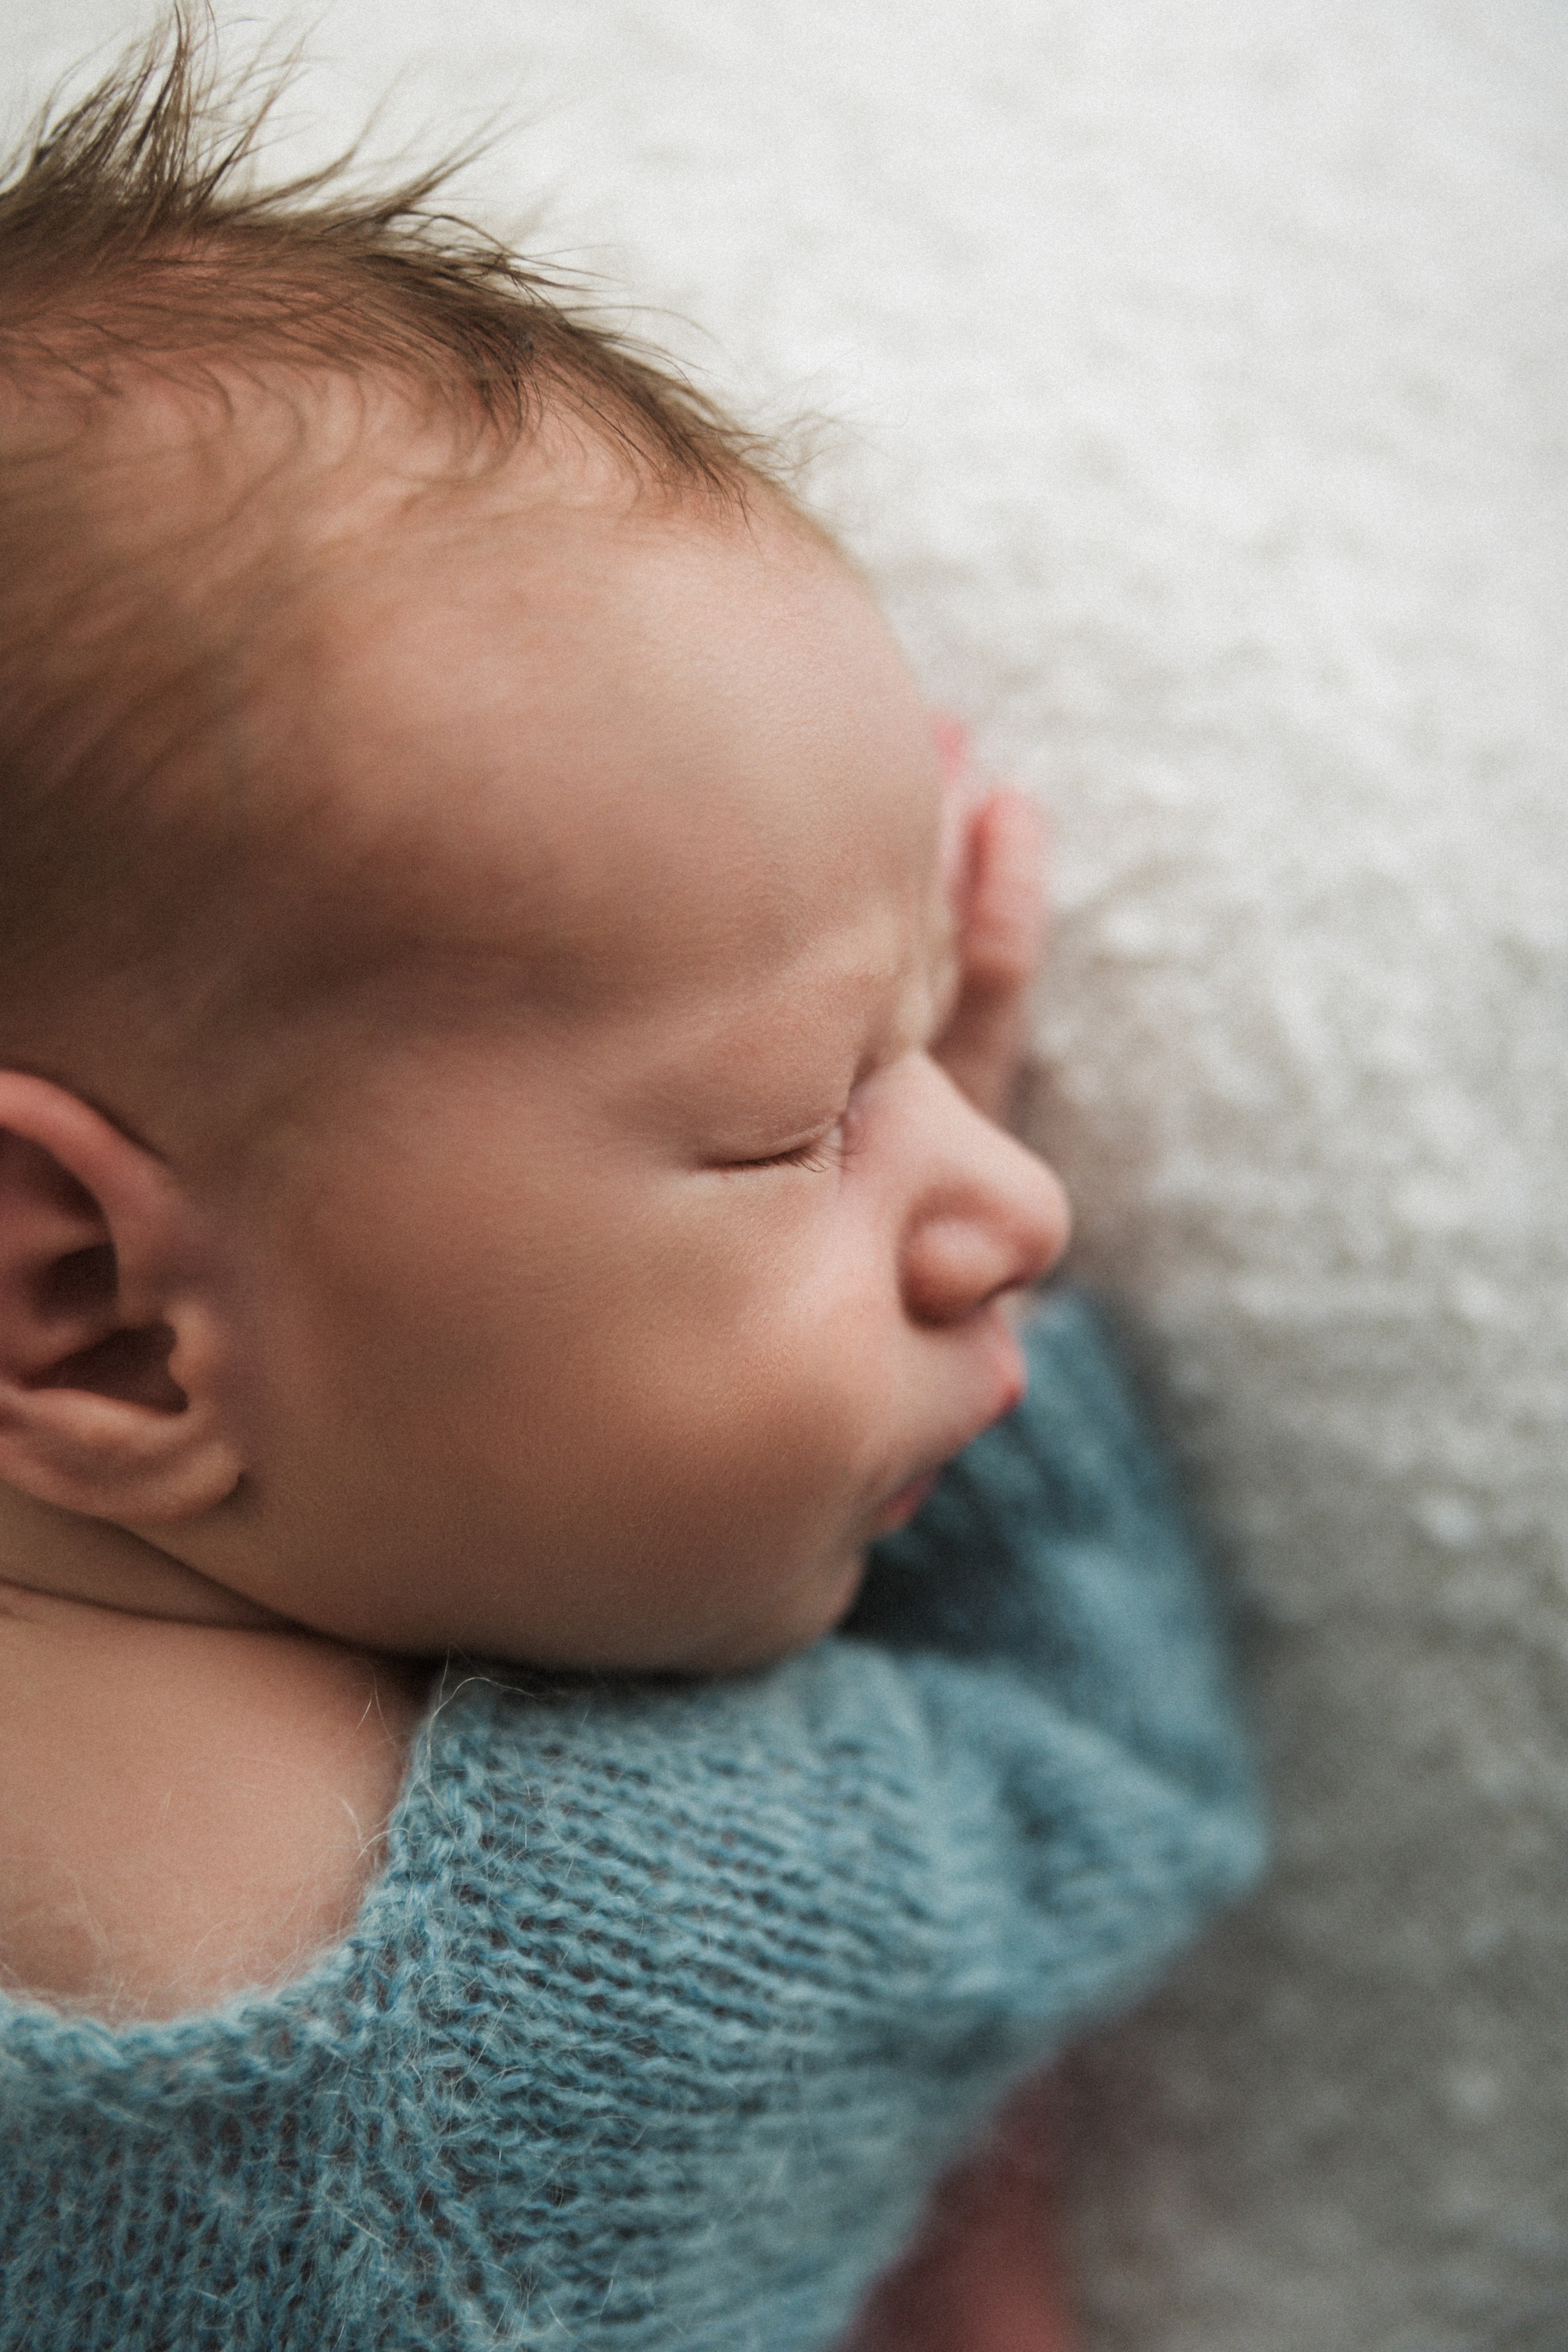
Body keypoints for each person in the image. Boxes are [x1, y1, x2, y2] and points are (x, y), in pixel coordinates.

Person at [0, 21, 1264, 2349]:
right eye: (805, 1117)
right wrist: (1017, 1413)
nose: (1013, 1201)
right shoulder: (550, 2011)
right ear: (81, 1301)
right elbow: (1114, 1780)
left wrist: (836, 1108)